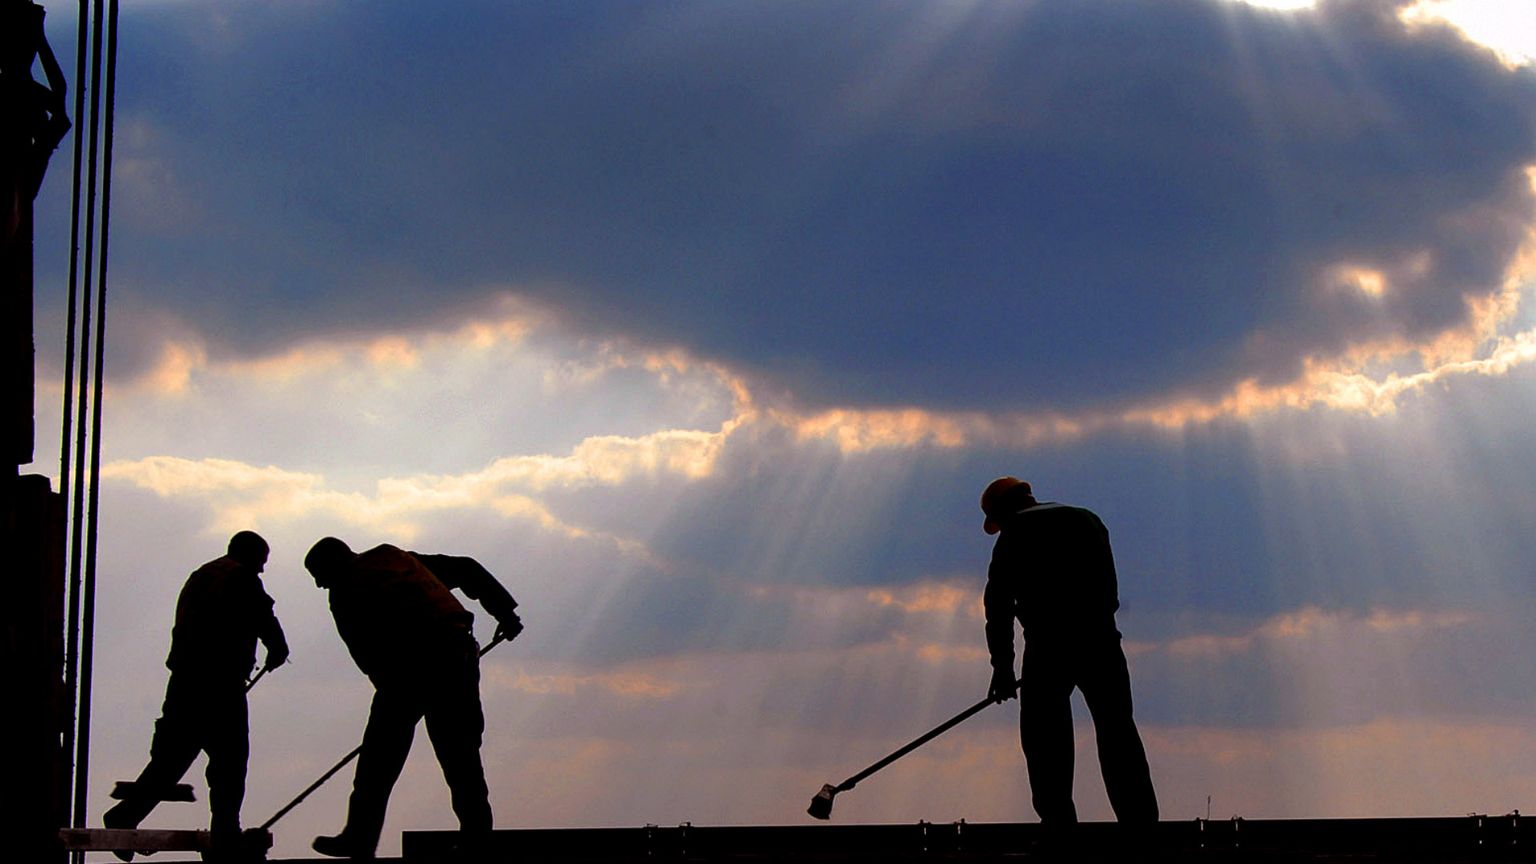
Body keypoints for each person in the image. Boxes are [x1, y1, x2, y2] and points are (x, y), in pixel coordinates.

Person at [304, 537, 523, 860]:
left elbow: (366, 652)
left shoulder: (345, 591)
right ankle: (477, 839)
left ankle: (360, 838)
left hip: (408, 669)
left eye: (319, 577)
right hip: (455, 656)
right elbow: (465, 568)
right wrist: (505, 612)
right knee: (460, 756)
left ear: (331, 565)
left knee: (378, 763)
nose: (321, 586)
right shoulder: (397, 559)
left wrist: (392, 698)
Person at [980, 477, 1158, 830]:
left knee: (1045, 738)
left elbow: (998, 607)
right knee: (1117, 732)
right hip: (1102, 642)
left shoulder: (1014, 533)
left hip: (1047, 647)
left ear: (1003, 512)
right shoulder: (1087, 519)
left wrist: (1003, 668)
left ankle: (1059, 829)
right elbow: (1109, 589)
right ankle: (1141, 828)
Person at [103, 531, 289, 849]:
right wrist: (278, 648)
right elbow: (262, 616)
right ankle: (226, 829)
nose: (262, 570)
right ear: (250, 555)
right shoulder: (241, 577)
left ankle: (126, 814)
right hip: (219, 686)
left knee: (171, 759)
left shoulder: (201, 576)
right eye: (262, 562)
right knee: (230, 759)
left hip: (184, 683)